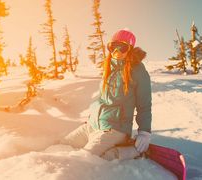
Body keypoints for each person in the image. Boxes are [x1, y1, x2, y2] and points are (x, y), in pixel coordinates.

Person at [60, 29, 152, 160]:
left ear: (130, 49)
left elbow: (144, 105)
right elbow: (103, 98)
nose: (117, 51)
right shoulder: (109, 67)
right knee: (61, 146)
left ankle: (134, 151)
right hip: (92, 125)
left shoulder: (137, 71)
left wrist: (144, 132)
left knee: (86, 158)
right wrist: (93, 116)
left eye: (122, 47)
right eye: (113, 47)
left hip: (115, 129)